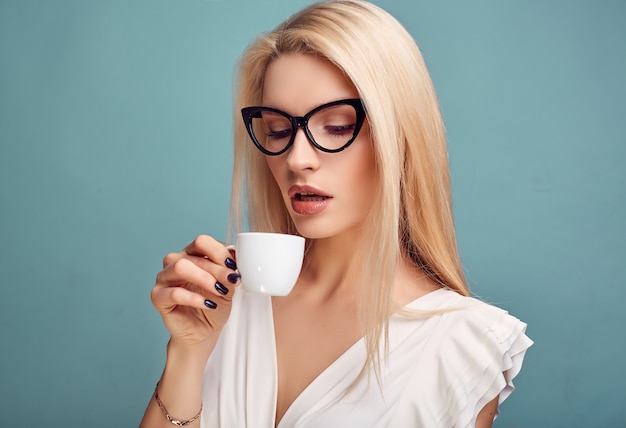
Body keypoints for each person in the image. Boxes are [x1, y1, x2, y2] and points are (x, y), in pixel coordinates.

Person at [140, 1, 532, 427]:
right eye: (278, 130)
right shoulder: (220, 294)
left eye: (337, 126)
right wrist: (188, 350)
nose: (297, 158)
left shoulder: (461, 346)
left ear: (399, 136)